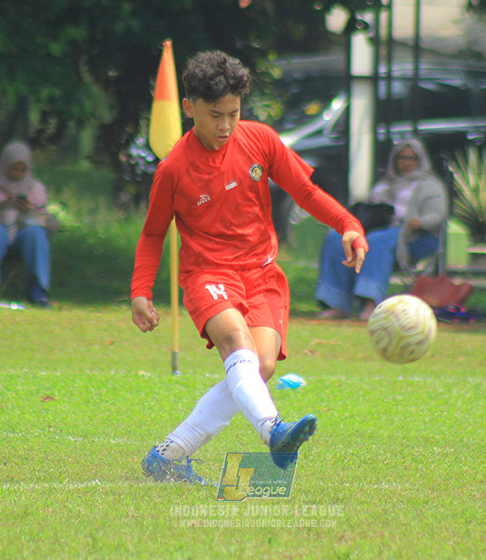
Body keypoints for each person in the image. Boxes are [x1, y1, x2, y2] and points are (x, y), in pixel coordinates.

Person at [130, 50, 368, 484]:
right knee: (236, 342)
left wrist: (348, 225)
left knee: (259, 368)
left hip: (262, 275)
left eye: (233, 114)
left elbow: (306, 192)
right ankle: (274, 430)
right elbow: (152, 235)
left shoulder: (260, 140)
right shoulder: (174, 170)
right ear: (189, 108)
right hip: (207, 276)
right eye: (214, 115)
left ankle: (167, 456)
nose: (225, 126)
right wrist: (140, 291)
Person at [315, 138, 448, 320]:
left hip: (415, 237)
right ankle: (337, 303)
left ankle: (371, 302)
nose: (406, 162)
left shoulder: (430, 186)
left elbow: (438, 215)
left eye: (411, 158)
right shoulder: (383, 186)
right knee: (336, 238)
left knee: (376, 241)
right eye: (401, 158)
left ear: (420, 160)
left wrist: (419, 222)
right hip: (380, 231)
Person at [0, 141, 53, 307]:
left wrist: (28, 211)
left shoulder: (36, 189)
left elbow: (47, 223)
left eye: (22, 170)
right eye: (13, 169)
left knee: (36, 234)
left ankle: (39, 290)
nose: (18, 174)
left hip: (23, 234)